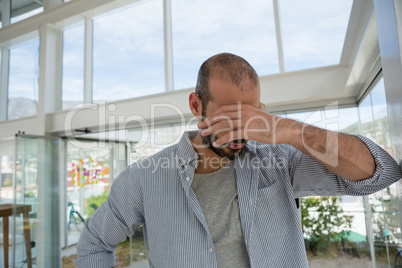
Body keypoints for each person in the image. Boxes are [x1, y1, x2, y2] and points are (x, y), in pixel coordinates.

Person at [74, 53, 402, 268]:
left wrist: (288, 130)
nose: (243, 128)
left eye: (253, 114)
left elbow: (378, 173)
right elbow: (94, 244)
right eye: (231, 116)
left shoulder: (280, 160)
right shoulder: (143, 179)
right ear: (195, 104)